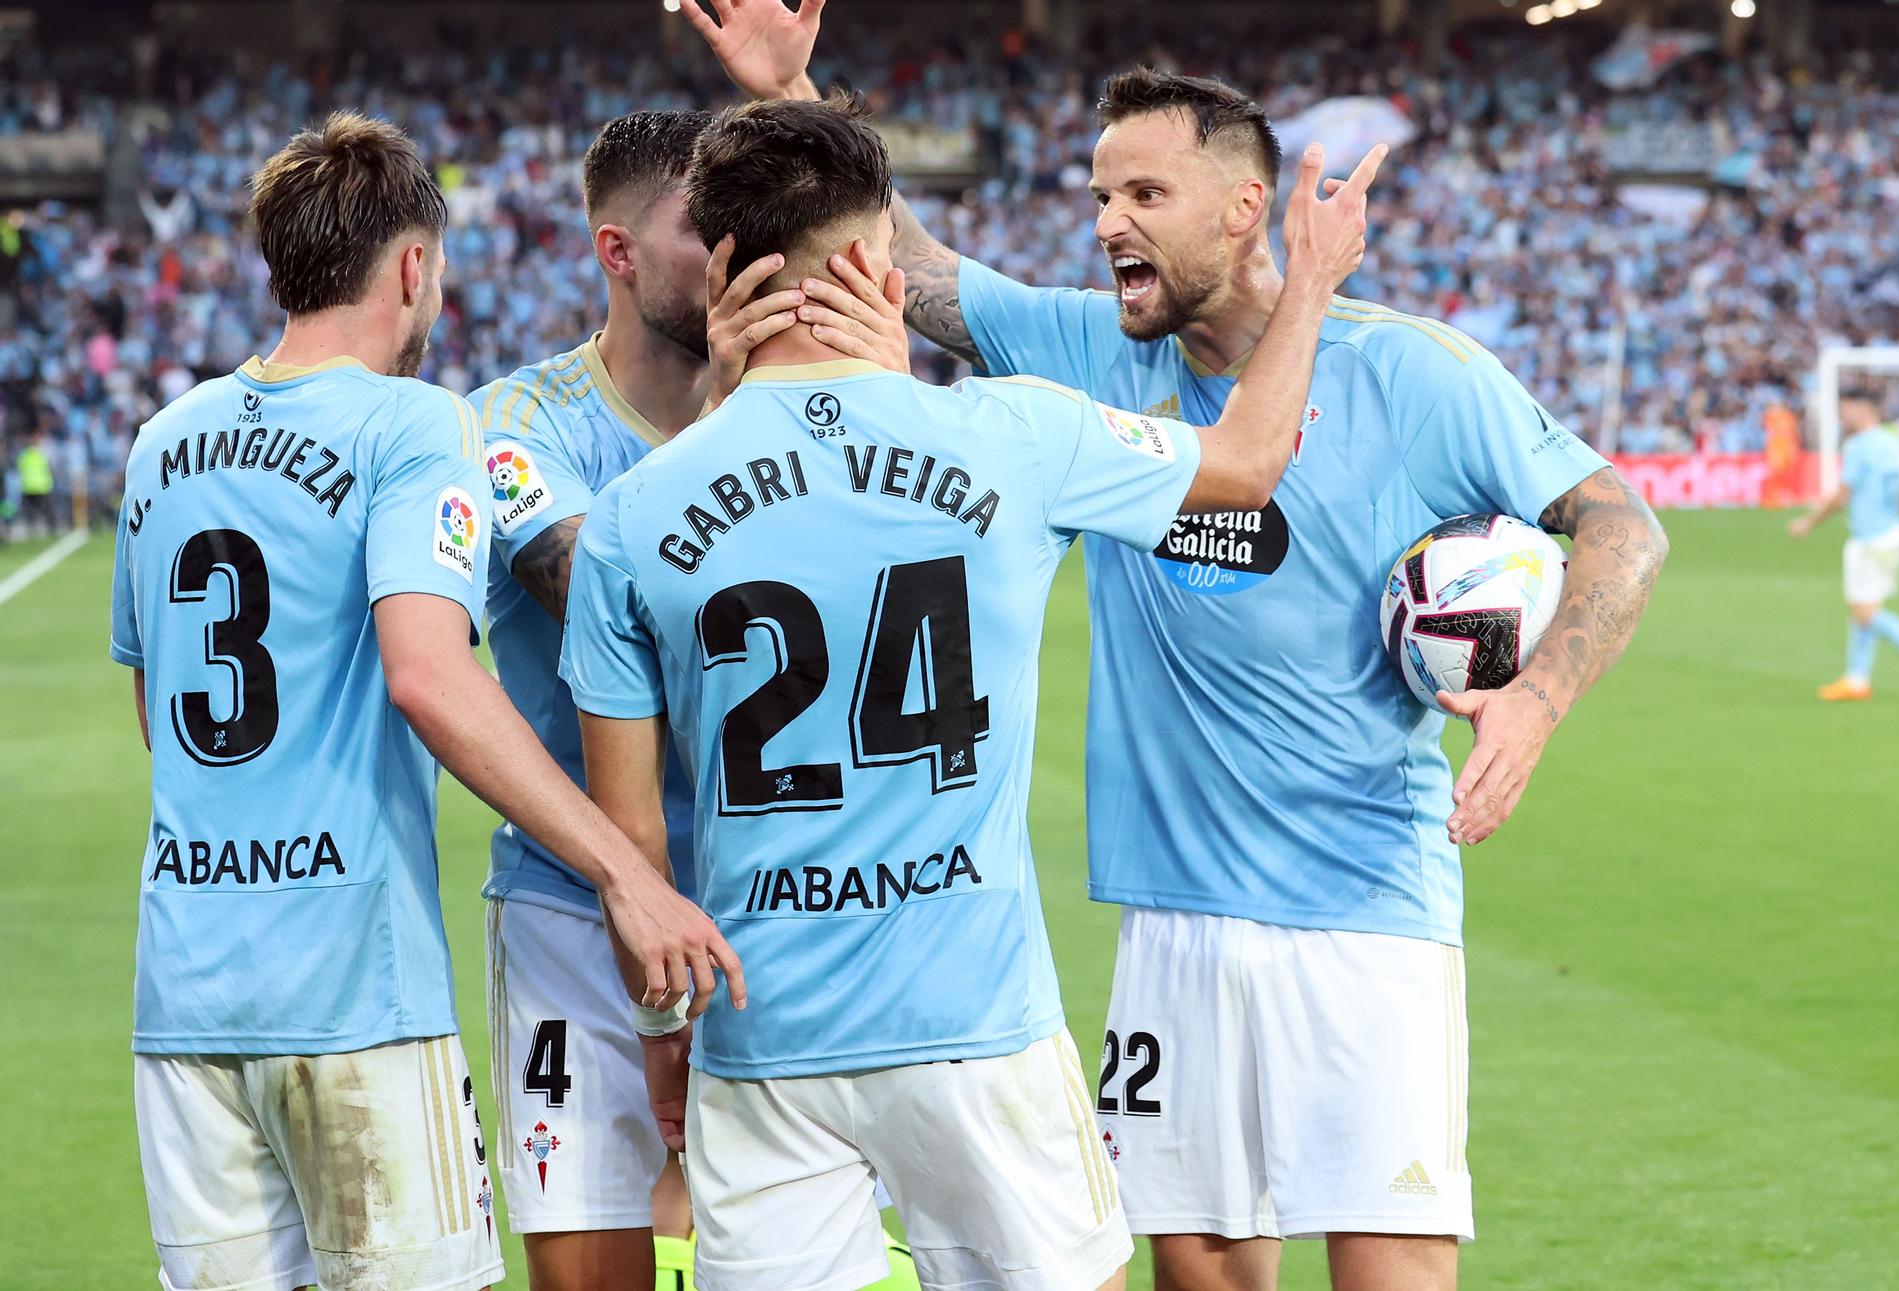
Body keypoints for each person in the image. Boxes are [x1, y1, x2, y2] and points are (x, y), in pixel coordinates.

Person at [681, 8, 1669, 1288]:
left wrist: (1535, 698)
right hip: (1171, 918)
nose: (1107, 223)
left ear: (1243, 209)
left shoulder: (1416, 377)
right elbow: (910, 268)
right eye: (1099, 193)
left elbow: (1619, 526)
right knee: (1195, 1263)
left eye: (1144, 192)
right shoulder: (1084, 351)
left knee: (1392, 1268)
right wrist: (794, 87)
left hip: (1361, 904)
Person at [558, 95, 1370, 1291]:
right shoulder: (1009, 436)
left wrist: (663, 1038)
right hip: (973, 1019)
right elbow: (1247, 464)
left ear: (725, 265)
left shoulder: (638, 511)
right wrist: (1309, 283)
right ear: (875, 269)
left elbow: (632, 842)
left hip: (763, 1031)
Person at [108, 111, 739, 1291]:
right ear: (413, 267)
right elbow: (430, 675)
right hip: (354, 981)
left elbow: (161, 721)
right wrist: (623, 868)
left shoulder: (158, 442)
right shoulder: (417, 421)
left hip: (185, 990)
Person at [473, 107, 911, 1291]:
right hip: (578, 911)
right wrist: (728, 423)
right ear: (615, 253)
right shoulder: (515, 426)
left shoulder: (831, 419)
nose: (735, 249)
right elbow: (601, 595)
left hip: (782, 906)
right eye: (696, 227)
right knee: (593, 1273)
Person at [1788, 394, 1899, 700]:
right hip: (1895, 535)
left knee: (1864, 611)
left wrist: (1808, 522)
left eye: (1846, 411)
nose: (1843, 418)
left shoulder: (1858, 446)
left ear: (1863, 410)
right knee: (1866, 606)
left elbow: (1841, 496)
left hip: (1871, 537)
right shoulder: (1895, 444)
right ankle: (1857, 679)